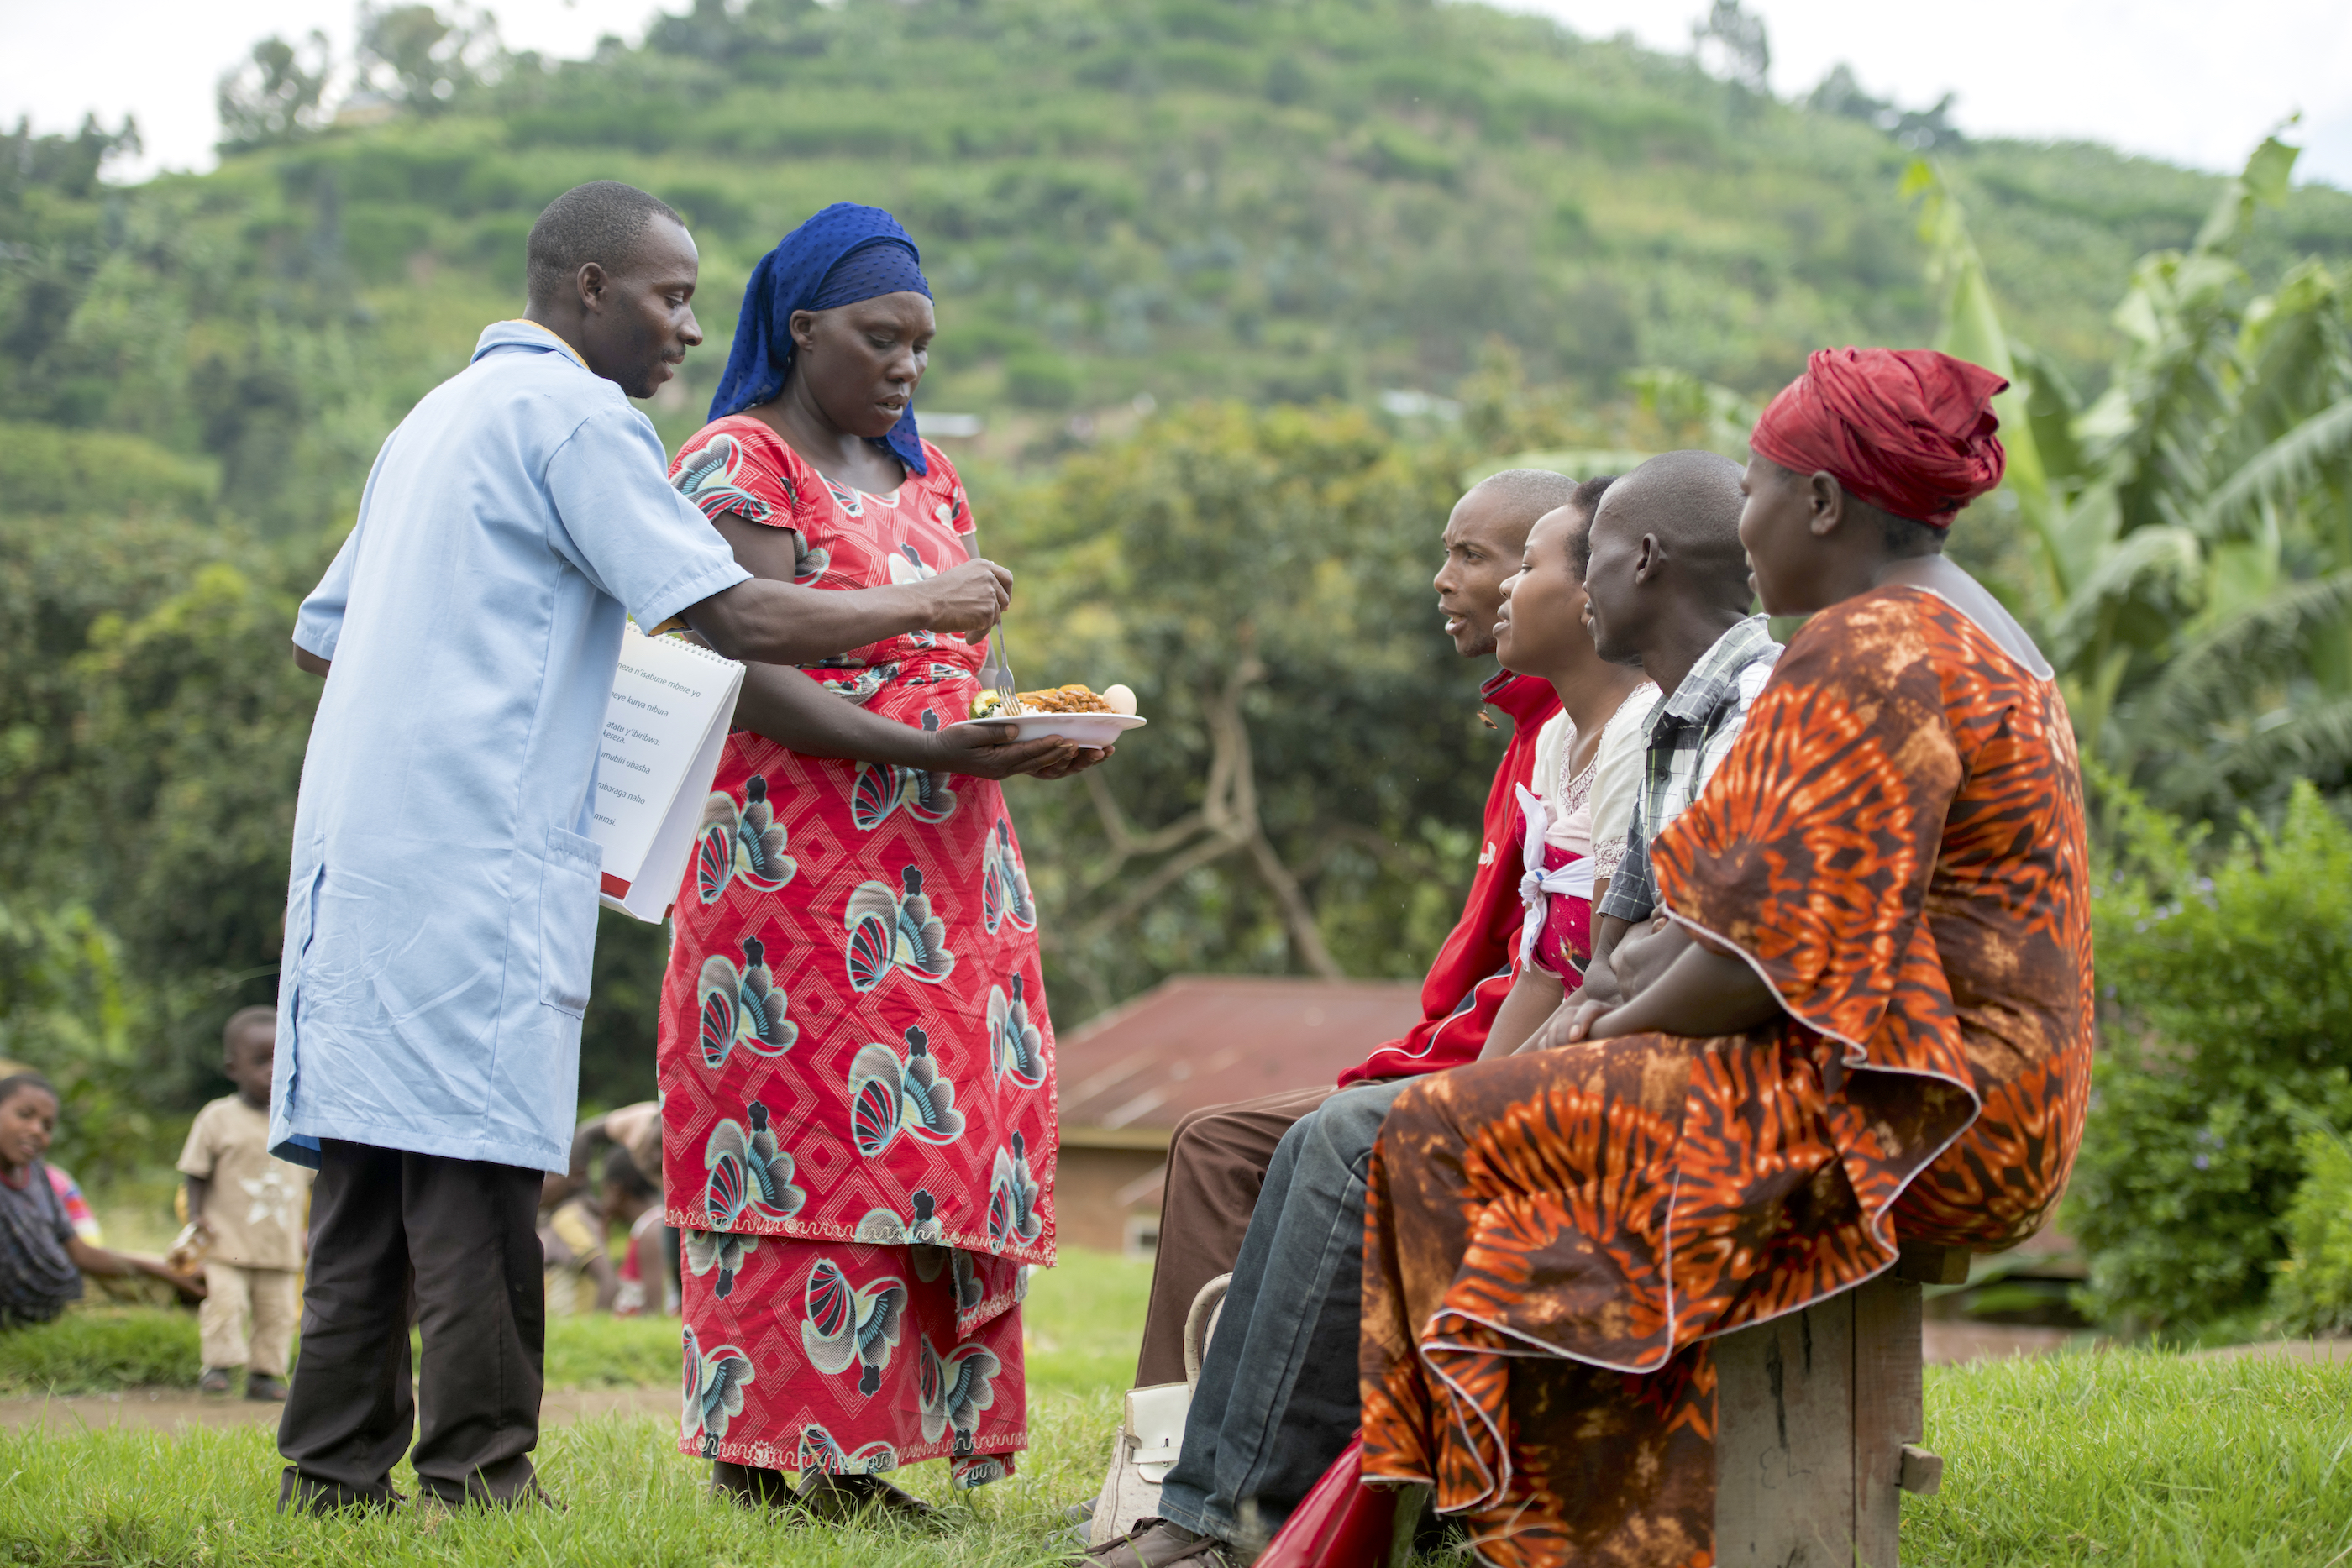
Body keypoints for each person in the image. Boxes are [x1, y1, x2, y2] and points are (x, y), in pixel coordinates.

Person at [271, 181, 1026, 1515]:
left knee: (369, 1167)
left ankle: (330, 1473)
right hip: (475, 842)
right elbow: (733, 616)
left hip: (362, 836)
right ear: (587, 293)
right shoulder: (577, 418)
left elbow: (319, 631)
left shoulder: (434, 416)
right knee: (476, 1174)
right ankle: (480, 1472)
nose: (688, 326)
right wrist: (933, 601)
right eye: (669, 297)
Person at [1358, 350, 2093, 1565]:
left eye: (1754, 486)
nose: (1740, 522)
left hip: (1917, 1109)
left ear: (1820, 503)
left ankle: (1569, 1524)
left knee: (1442, 1128)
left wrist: (1592, 1035)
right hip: (1979, 1088)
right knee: (1492, 1108)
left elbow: (1762, 960)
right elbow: (1743, 918)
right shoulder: (1973, 624)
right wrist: (1613, 1011)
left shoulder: (1874, 646)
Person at [1082, 458, 1760, 1567]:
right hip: (1595, 1055)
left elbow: (1669, 951)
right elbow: (1570, 962)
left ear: (1629, 566)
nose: (1487, 589)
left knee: (1352, 1137)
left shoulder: (1678, 719)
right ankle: (1198, 1500)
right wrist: (1479, 1091)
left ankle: (1226, 1521)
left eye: (1522, 561)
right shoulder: (1580, 734)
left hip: (1663, 1086)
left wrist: (1495, 1090)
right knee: (1317, 1136)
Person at [655, 203, 1107, 1518]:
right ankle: (780, 1456)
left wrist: (1019, 739)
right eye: (879, 336)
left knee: (930, 1137)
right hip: (792, 866)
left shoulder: (926, 475)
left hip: (947, 862)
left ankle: (876, 1445)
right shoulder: (737, 462)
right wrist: (928, 684)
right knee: (794, 1139)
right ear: (801, 328)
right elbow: (739, 654)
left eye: (921, 342)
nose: (907, 365)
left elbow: (956, 669)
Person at [1130, 467, 1578, 1391]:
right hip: (1460, 1060)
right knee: (1239, 1134)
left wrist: (1394, 1075)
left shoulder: (1578, 734)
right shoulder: (1534, 727)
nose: (1441, 580)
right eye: (1445, 553)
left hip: (1501, 1081)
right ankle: (1192, 1452)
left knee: (1224, 1148)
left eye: (1473, 555)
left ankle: (1185, 1462)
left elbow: (1544, 971)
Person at [180, 1007, 312, 1399]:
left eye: (280, 1058)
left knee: (278, 1313)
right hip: (226, 1241)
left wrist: (313, 1228)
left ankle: (265, 1374)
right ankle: (217, 1366)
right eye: (259, 1061)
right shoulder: (217, 1118)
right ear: (232, 1067)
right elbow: (195, 1171)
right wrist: (196, 1218)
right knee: (226, 1303)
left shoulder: (298, 1122)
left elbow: (316, 1184)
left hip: (281, 1244)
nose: (271, 1071)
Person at [0, 1074, 203, 1326]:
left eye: (47, 1126)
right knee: (134, 1322)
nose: (36, 1130)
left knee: (191, 1280)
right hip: (40, 1311)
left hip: (73, 1283)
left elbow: (81, 1253)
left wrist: (162, 1269)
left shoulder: (38, 1175)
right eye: (24, 1115)